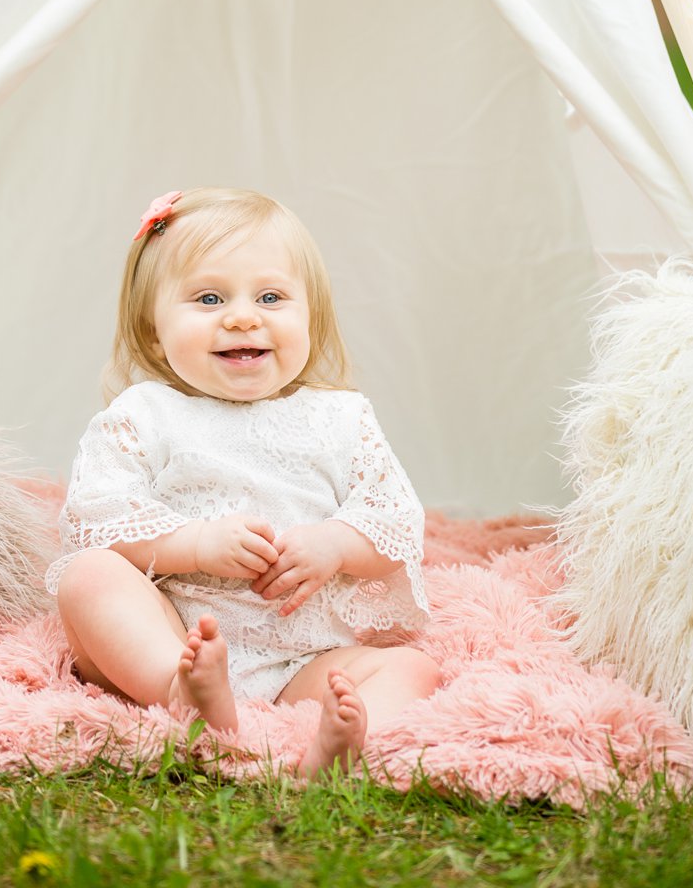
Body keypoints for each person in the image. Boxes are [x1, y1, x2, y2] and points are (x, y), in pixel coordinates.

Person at [47, 187, 440, 778]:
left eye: (271, 297)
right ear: (154, 331)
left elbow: (396, 522)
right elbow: (98, 517)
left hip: (305, 652)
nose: (242, 316)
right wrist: (195, 544)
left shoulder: (341, 418)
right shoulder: (145, 414)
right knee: (88, 576)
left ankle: (341, 752)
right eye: (209, 298)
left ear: (310, 317)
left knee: (414, 670)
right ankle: (182, 691)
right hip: (175, 630)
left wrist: (334, 543)